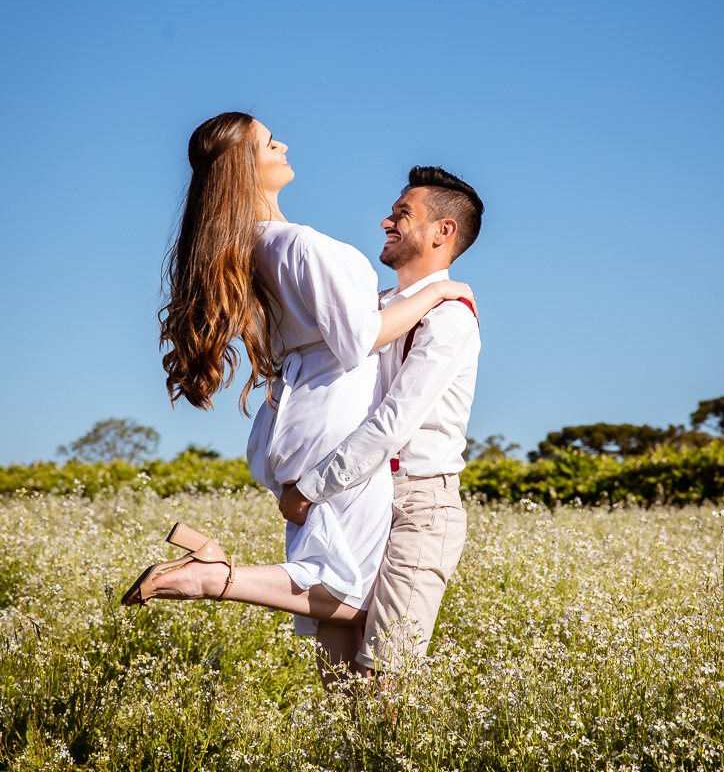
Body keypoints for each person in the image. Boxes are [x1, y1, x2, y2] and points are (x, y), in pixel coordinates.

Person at [121, 112, 475, 681]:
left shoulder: (250, 250)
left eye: (401, 213)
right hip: (341, 443)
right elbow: (363, 351)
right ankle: (217, 577)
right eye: (268, 141)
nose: (282, 142)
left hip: (310, 435)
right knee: (354, 601)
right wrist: (443, 293)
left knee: (342, 649)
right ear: (242, 166)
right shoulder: (301, 247)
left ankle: (340, 758)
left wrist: (429, 298)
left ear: (442, 232)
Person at [279, 165, 483, 675]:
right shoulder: (373, 313)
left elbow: (394, 422)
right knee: (337, 680)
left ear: (443, 231)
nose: (385, 222)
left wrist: (310, 487)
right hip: (357, 499)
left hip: (418, 504)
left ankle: (213, 580)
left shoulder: (451, 316)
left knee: (384, 679)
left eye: (401, 214)